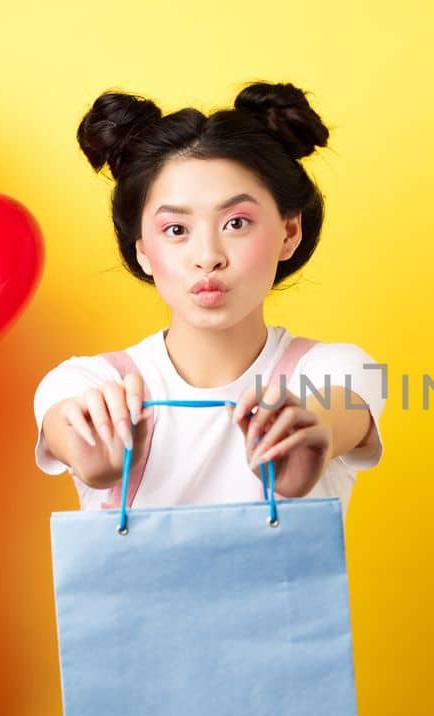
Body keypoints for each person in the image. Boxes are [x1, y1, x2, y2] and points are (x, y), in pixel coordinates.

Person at [32, 81, 384, 516]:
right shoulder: (87, 384)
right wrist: (95, 455)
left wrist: (306, 435)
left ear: (290, 232)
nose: (208, 258)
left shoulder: (336, 370)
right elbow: (69, 427)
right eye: (176, 230)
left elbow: (330, 414)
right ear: (142, 249)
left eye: (236, 223)